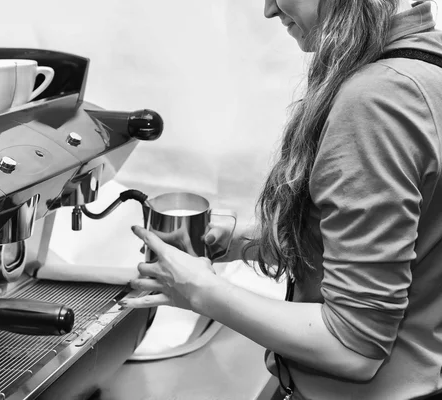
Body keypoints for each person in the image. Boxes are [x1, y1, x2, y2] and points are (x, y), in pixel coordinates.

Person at [118, 0, 442, 399]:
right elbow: (394, 249)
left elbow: (354, 346)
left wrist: (198, 290)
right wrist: (240, 242)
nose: (269, 9)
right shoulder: (426, 66)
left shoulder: (378, 99)